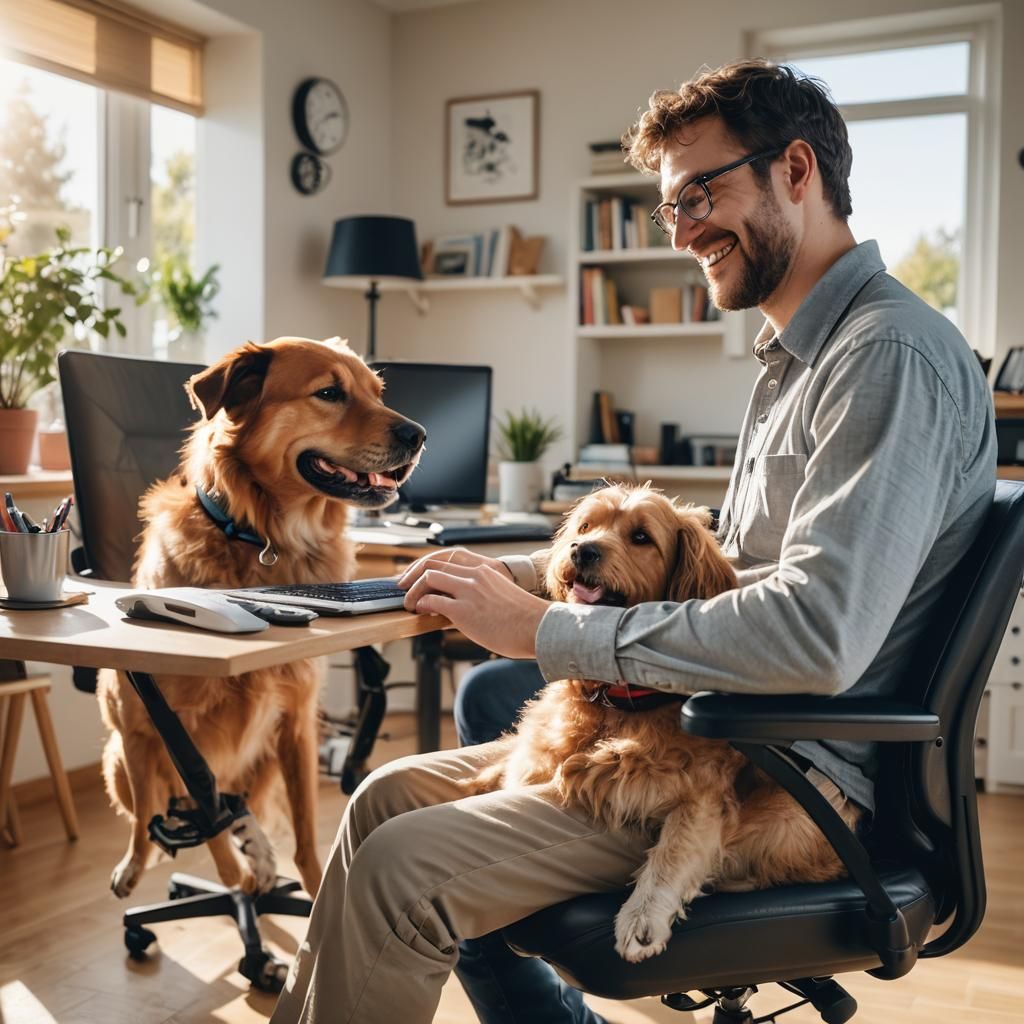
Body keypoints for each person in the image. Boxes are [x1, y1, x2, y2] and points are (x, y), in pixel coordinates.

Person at [269, 59, 996, 1024]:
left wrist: (545, 631)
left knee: (403, 867)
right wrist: (505, 580)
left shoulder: (884, 356)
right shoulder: (801, 360)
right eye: (670, 208)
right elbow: (722, 572)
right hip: (700, 734)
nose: (683, 230)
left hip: (767, 783)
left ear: (796, 170)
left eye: (701, 194)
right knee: (381, 801)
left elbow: (818, 634)